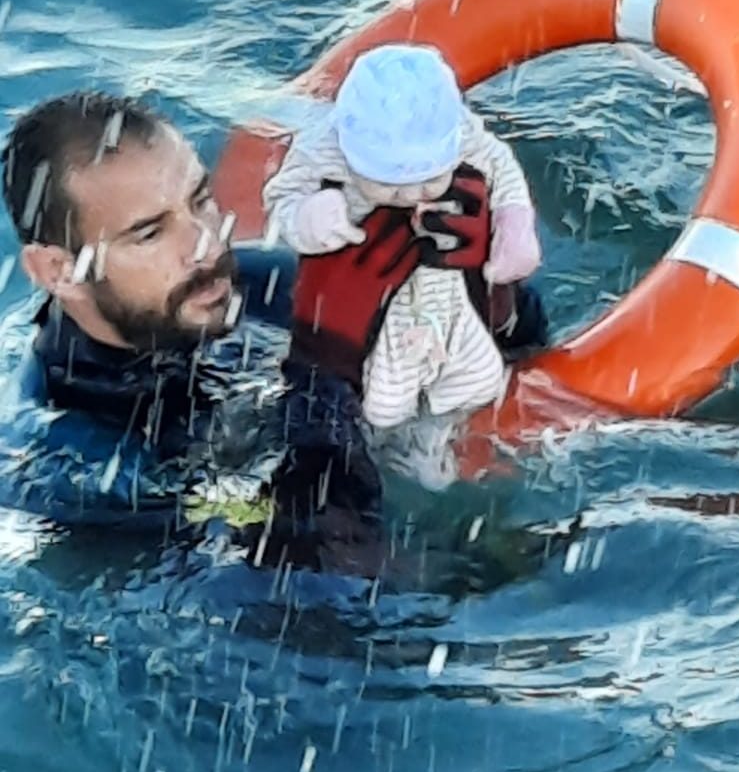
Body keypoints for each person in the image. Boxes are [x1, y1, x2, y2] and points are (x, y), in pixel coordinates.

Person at [0, 90, 546, 572]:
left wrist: (482, 291)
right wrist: (327, 366)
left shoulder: (251, 288)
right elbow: (321, 578)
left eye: (200, 201)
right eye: (149, 234)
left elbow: (513, 356)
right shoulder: (75, 466)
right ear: (57, 270)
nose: (207, 246)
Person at [263, 43, 542, 431]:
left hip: (450, 295)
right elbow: (283, 196)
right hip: (376, 312)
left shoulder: (463, 134)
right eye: (389, 185)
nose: (411, 195)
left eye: (430, 180)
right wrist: (308, 218)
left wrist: (515, 225)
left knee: (477, 377)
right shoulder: (323, 149)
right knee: (383, 409)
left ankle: (478, 419)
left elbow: (502, 168)